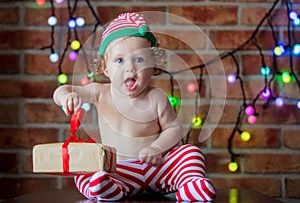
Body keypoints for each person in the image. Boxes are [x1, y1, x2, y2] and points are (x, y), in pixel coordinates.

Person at [53, 12, 216, 201]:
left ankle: (191, 184)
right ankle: (106, 188)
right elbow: (62, 89)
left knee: (190, 152)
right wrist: (66, 96)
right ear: (106, 68)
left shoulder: (156, 97)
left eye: (139, 60)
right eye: (119, 60)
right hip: (118, 170)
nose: (130, 68)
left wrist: (157, 147)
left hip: (156, 169)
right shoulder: (100, 92)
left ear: (154, 65)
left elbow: (174, 128)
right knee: (85, 169)